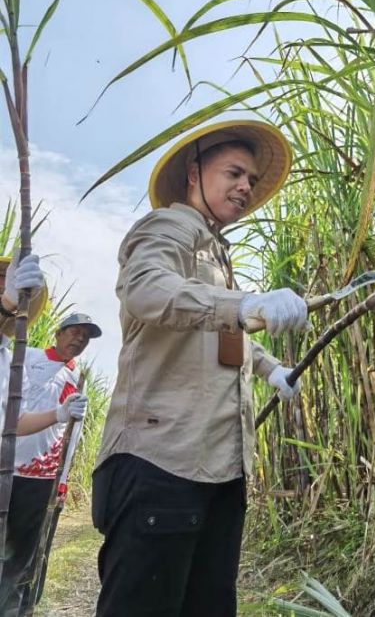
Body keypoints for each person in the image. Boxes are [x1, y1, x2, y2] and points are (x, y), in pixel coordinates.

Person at [93, 119, 309, 616]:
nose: (244, 187)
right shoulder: (169, 228)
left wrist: (272, 368)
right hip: (162, 462)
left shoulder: (217, 253)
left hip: (219, 468)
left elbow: (219, 332)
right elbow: (147, 289)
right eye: (234, 172)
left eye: (251, 180)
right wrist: (244, 303)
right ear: (194, 173)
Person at [0, 253, 88, 615]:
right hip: (8, 469)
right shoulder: (26, 355)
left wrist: (63, 479)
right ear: (58, 332)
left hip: (41, 477)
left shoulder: (74, 378)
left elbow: (66, 436)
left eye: (85, 338)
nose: (79, 341)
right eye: (74, 332)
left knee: (24, 556)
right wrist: (8, 303)